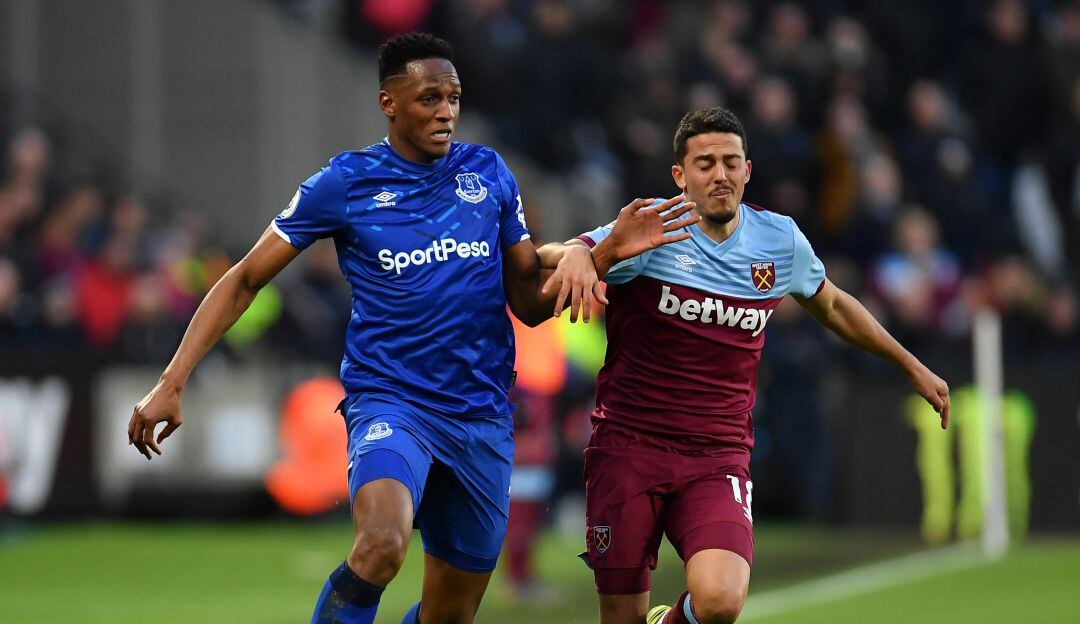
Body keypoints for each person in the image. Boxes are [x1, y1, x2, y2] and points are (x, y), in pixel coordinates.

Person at [126, 32, 696, 624]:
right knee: (382, 544)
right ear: (388, 103)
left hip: (480, 415)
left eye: (453, 97)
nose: (445, 111)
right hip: (393, 403)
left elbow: (527, 302)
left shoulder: (488, 174)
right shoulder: (346, 183)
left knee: (449, 613)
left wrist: (598, 256)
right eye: (428, 98)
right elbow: (245, 279)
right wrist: (172, 379)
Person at [538, 107, 950, 624]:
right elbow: (557, 253)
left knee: (721, 602)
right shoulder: (652, 227)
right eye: (705, 163)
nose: (720, 174)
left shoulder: (778, 241)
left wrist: (911, 366)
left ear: (747, 170)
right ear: (679, 175)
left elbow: (835, 305)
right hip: (629, 447)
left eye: (730, 162)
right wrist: (576, 252)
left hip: (717, 454)